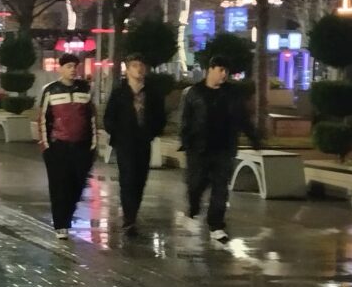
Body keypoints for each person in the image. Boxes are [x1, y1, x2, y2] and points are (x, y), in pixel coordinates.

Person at [179, 55, 261, 243]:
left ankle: (216, 225)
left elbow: (242, 117)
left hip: (224, 148)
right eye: (221, 70)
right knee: (196, 184)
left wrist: (253, 137)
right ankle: (193, 207)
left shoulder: (232, 94)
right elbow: (186, 119)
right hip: (199, 149)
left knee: (220, 188)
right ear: (211, 69)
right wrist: (186, 140)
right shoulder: (195, 92)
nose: (224, 74)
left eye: (226, 71)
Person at [103, 54, 167, 237]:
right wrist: (118, 134)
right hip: (125, 144)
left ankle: (132, 213)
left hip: (144, 143)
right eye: (134, 65)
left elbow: (160, 117)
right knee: (127, 179)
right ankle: (129, 219)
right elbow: (109, 118)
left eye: (141, 65)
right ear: (128, 69)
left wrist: (151, 132)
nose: (139, 69)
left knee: (140, 180)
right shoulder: (119, 93)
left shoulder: (152, 93)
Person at [37, 53, 96, 240]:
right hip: (58, 147)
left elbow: (92, 118)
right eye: (69, 66)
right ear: (60, 68)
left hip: (81, 147)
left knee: (77, 185)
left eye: (75, 66)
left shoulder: (84, 89)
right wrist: (46, 147)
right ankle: (61, 224)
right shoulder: (51, 91)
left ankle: (68, 215)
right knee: (59, 186)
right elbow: (43, 119)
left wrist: (93, 144)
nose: (73, 70)